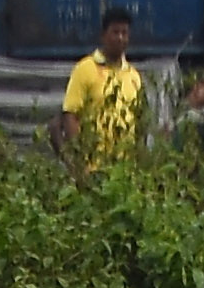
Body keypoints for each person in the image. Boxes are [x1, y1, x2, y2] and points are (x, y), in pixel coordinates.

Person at [61, 9, 146, 176]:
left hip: (124, 170)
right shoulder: (85, 69)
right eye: (115, 32)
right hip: (94, 169)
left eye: (124, 33)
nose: (120, 38)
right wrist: (80, 163)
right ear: (103, 35)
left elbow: (139, 122)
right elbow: (70, 115)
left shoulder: (133, 76)